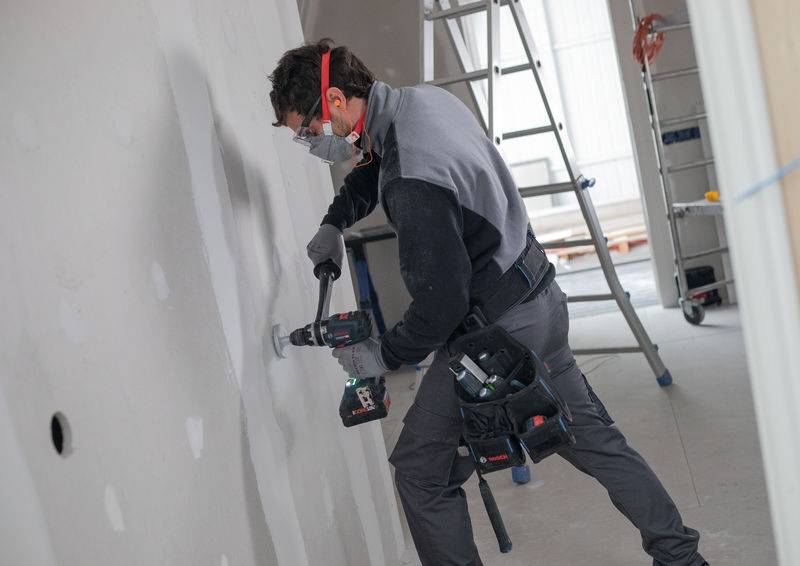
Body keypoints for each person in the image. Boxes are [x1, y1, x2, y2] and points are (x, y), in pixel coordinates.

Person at [268, 39, 707, 566]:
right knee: (592, 437)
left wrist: (382, 355)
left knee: (420, 472)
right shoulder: (423, 104)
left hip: (498, 338)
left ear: (335, 101)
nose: (311, 142)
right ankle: (681, 555)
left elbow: (441, 305)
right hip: (539, 297)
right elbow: (375, 168)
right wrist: (335, 219)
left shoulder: (411, 179)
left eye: (308, 132)